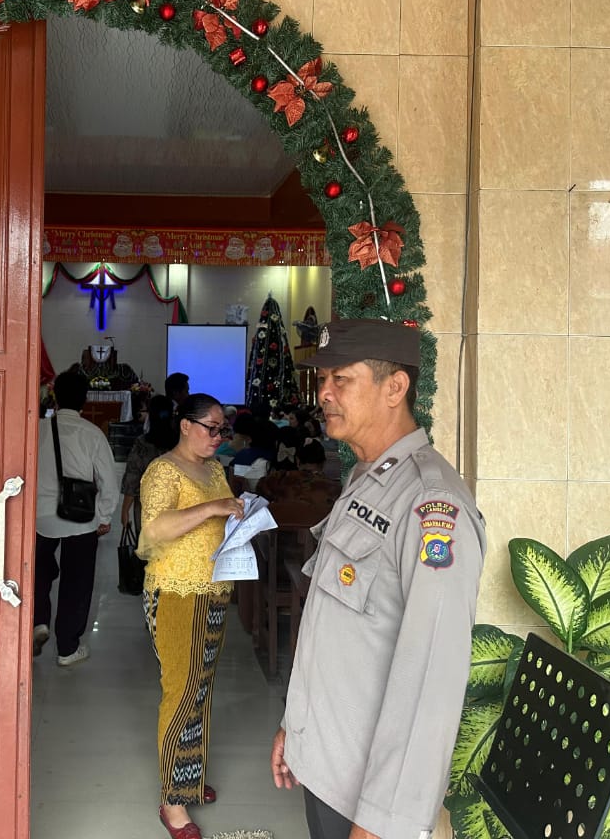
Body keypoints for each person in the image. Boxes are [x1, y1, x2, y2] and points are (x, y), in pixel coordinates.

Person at [269, 320, 486, 839]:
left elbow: (430, 678)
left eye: (340, 379)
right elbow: (335, 627)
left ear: (395, 388)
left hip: (367, 800)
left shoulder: (433, 505)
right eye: (323, 379)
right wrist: (295, 727)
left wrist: (382, 821)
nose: (323, 393)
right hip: (327, 763)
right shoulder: (366, 479)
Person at [138, 394, 244, 839]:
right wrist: (213, 508)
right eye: (211, 428)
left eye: (224, 430)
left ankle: (189, 778)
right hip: (177, 591)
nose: (218, 437)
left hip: (214, 589)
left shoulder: (214, 469)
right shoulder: (163, 470)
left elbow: (220, 517)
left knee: (200, 690)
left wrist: (241, 515)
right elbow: (154, 530)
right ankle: (172, 801)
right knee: (180, 692)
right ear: (185, 425)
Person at [33, 370, 120, 666]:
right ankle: (68, 648)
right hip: (80, 516)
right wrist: (104, 516)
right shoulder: (92, 433)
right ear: (84, 399)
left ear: (55, 396)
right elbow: (109, 481)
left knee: (37, 572)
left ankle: (38, 622)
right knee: (77, 581)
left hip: (39, 516)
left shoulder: (37, 429)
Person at [121, 395, 178, 533]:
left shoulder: (142, 444)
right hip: (177, 506)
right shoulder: (181, 444)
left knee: (147, 549)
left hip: (147, 507)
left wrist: (124, 510)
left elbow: (132, 478)